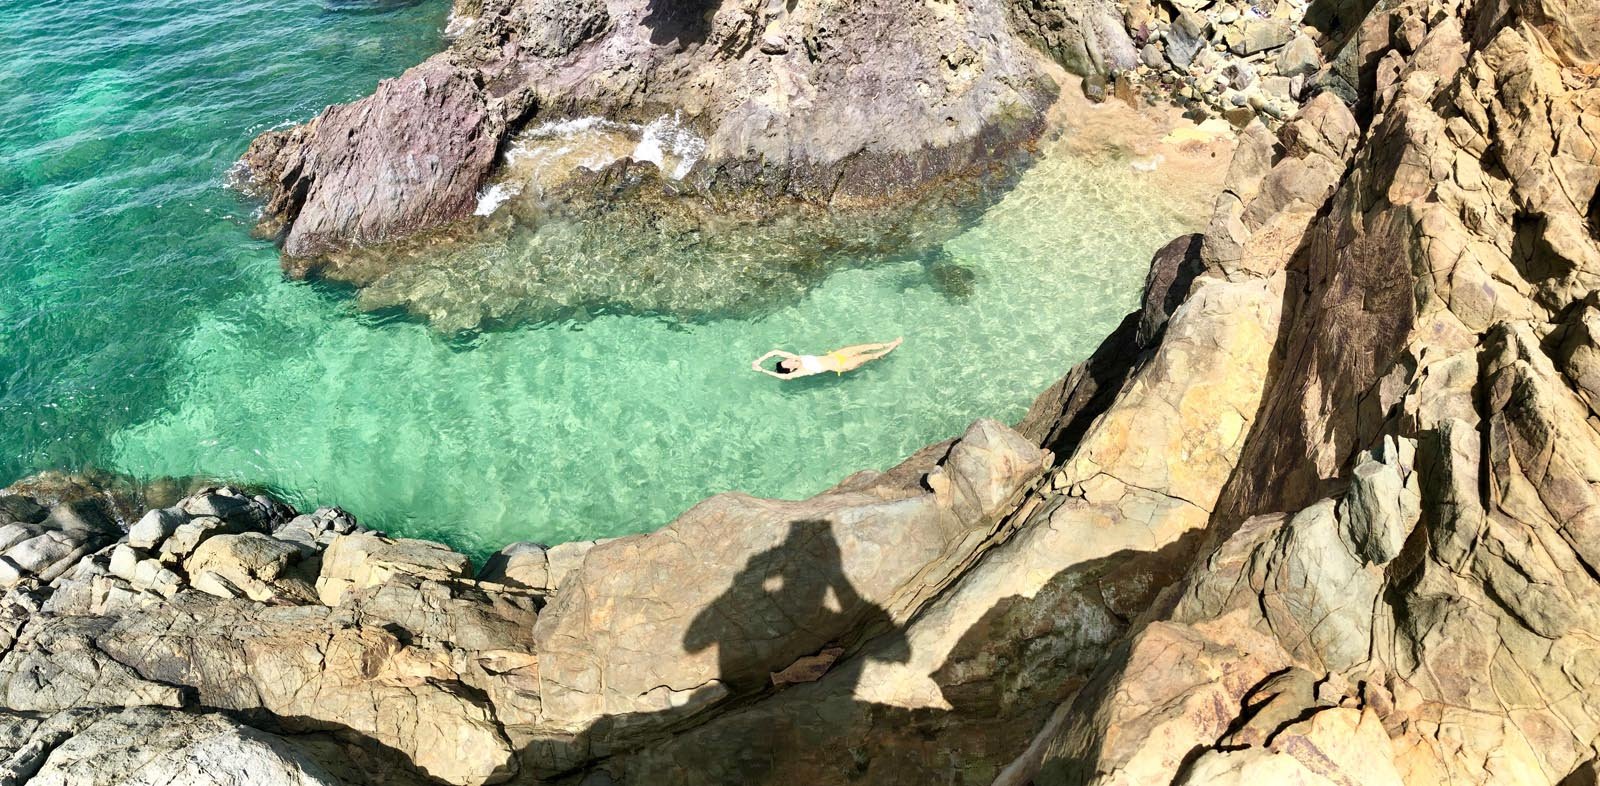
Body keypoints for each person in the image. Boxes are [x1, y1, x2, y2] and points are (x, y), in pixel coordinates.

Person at [751, 337, 903, 379]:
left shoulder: (797, 358)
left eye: (787, 359)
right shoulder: (800, 371)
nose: (790, 359)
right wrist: (763, 370)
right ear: (790, 369)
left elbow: (775, 351)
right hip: (841, 366)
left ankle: (887, 343)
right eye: (788, 362)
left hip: (836, 355)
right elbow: (784, 378)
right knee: (869, 355)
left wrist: (759, 360)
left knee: (862, 347)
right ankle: (891, 348)